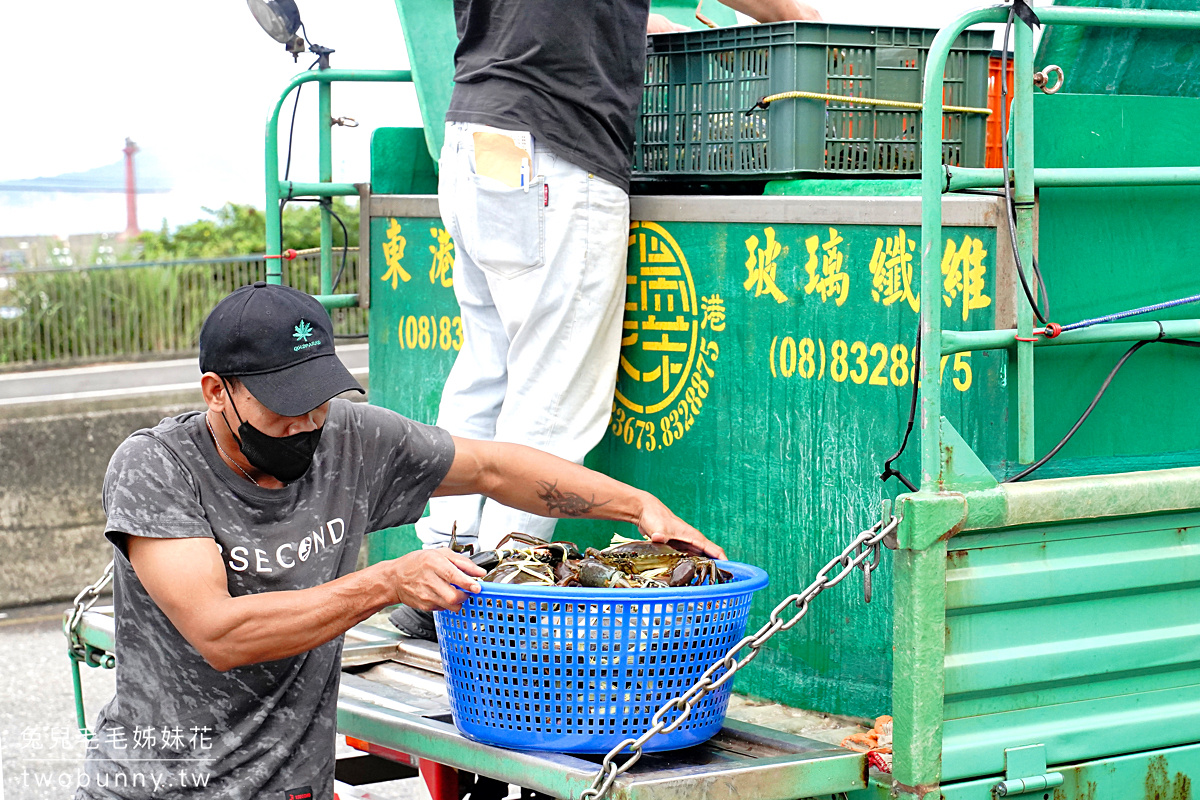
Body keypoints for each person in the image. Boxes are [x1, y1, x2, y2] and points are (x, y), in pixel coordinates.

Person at [76, 282, 722, 800]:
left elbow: (494, 469)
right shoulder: (157, 468)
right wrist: (388, 581)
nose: (307, 422)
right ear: (217, 392)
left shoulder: (348, 441)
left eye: (318, 399)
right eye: (283, 404)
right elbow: (222, 634)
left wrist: (639, 506)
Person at [399, 0, 819, 641]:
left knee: (489, 370)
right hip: (557, 147)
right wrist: (809, 21)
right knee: (554, 399)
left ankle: (435, 573)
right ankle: (492, 598)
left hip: (477, 134)